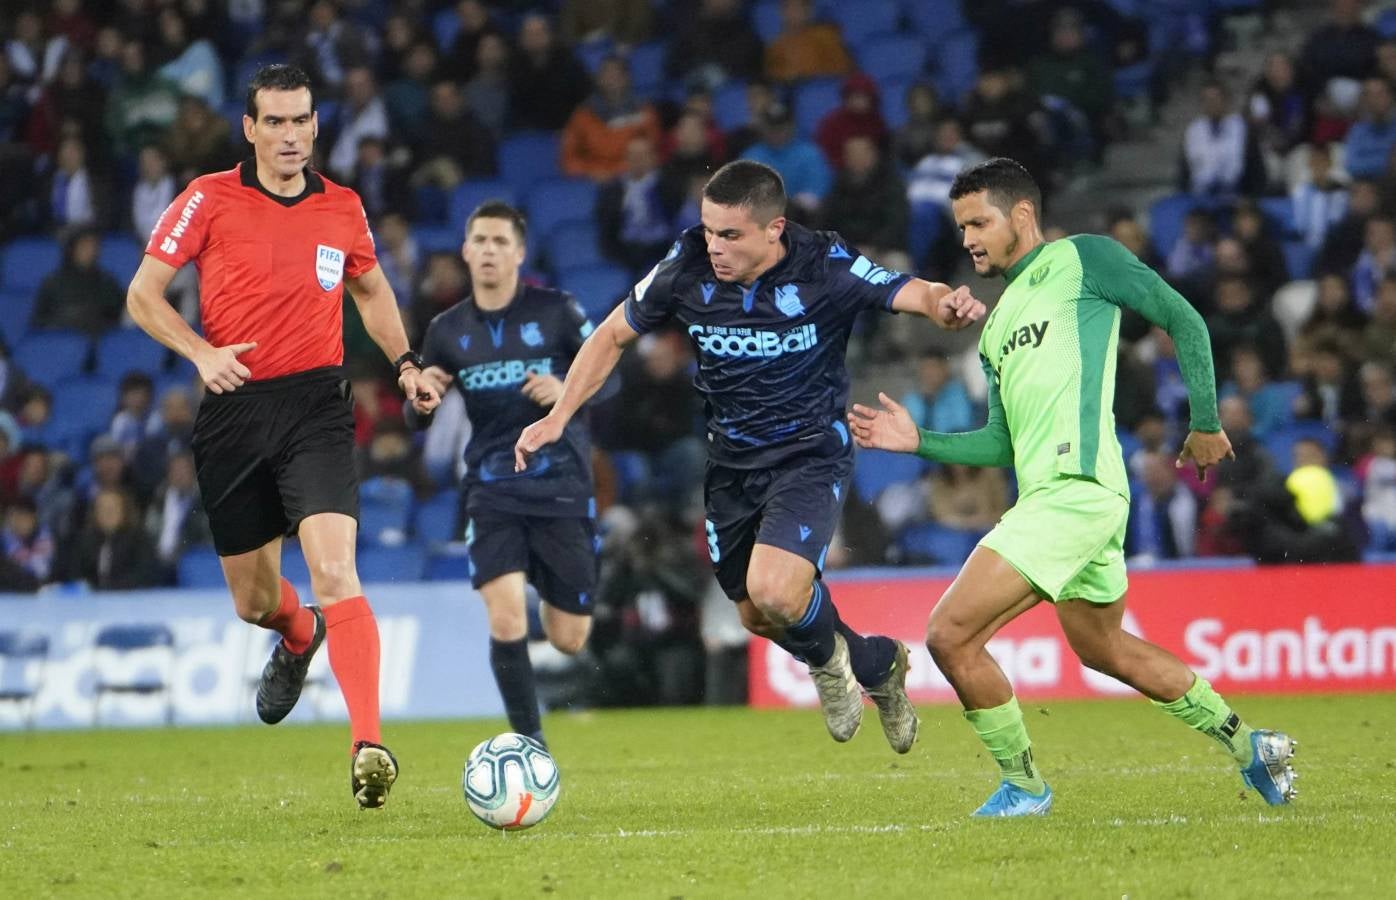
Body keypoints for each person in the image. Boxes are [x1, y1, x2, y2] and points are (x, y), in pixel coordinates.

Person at [848, 158, 1297, 816]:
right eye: (960, 226)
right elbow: (1002, 443)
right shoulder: (996, 328)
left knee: (949, 635)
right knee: (1103, 647)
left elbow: (1184, 319)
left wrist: (1205, 422)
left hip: (1077, 489)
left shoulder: (1083, 260)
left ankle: (1027, 787)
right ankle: (1251, 744)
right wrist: (922, 442)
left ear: (1022, 216)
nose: (968, 237)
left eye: (979, 221)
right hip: (1060, 498)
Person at [515, 160, 987, 753]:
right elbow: (611, 334)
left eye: (730, 234)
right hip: (731, 466)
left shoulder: (824, 265)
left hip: (809, 455)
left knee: (777, 591)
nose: (714, 246)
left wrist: (944, 306)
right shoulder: (685, 266)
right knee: (756, 615)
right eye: (709, 230)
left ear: (775, 229)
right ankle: (872, 662)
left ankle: (828, 669)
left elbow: (910, 290)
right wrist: (559, 417)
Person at [124, 64, 440, 809]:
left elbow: (370, 287)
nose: (292, 135)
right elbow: (142, 294)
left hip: (315, 407)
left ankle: (369, 746)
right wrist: (201, 353)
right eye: (277, 121)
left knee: (337, 572)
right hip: (233, 408)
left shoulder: (343, 207)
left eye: (303, 121)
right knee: (256, 601)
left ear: (315, 125)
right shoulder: (208, 196)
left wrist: (403, 363)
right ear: (250, 127)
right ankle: (297, 637)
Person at [408, 202, 611, 749]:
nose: (491, 250)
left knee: (569, 638)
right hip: (491, 489)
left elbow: (610, 384)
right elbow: (417, 411)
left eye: (502, 241)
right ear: (467, 251)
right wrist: (423, 398)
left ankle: (555, 579)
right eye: (481, 240)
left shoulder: (559, 312)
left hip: (560, 486)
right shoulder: (446, 331)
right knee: (504, 618)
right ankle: (531, 745)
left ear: (520, 253)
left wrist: (565, 389)